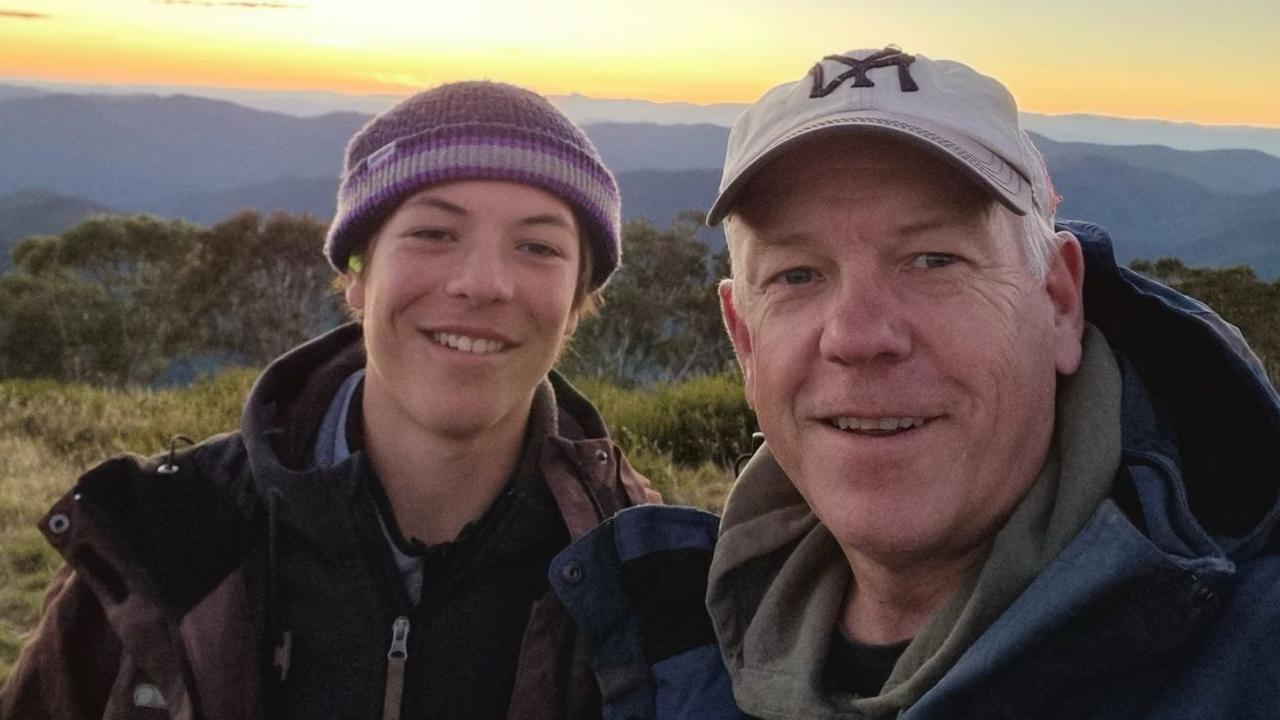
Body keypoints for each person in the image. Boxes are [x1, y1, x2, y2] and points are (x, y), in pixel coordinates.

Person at [545, 47, 1280, 719]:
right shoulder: (670, 642)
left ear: (1057, 301)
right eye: (798, 275)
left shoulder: (1247, 654)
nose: (860, 335)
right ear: (744, 339)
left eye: (934, 260)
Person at [0, 80, 661, 720]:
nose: (482, 283)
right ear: (356, 274)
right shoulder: (161, 545)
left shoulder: (650, 573)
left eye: (538, 246)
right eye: (434, 233)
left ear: (576, 305)